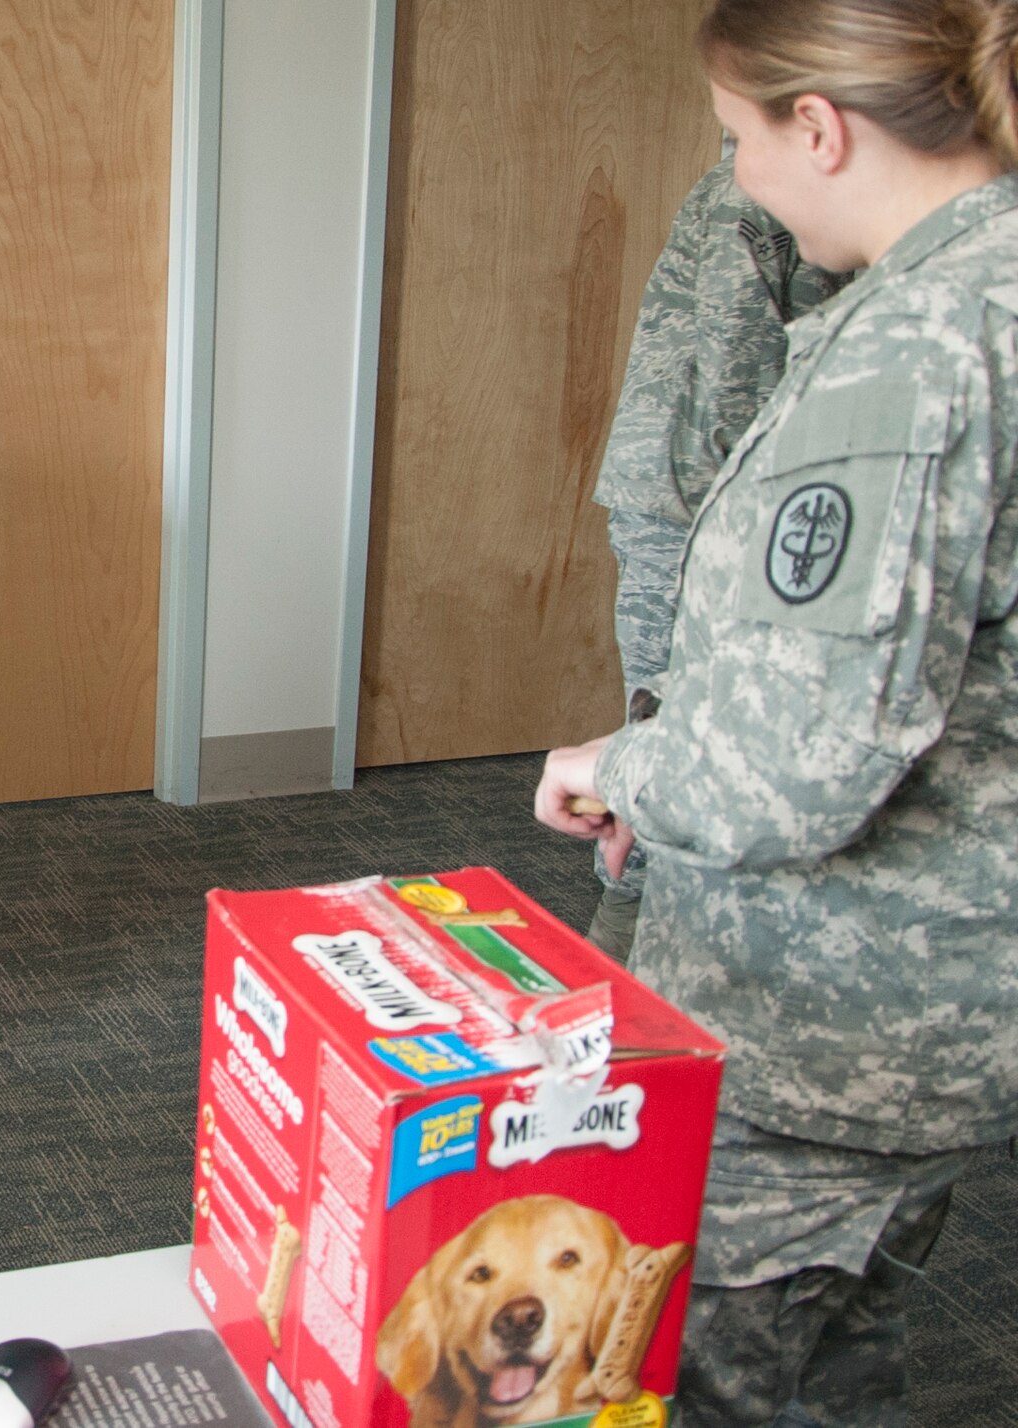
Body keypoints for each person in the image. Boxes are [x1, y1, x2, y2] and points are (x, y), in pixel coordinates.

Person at [534, 0, 1018, 1421]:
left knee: (684, 1370)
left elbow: (791, 769)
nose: (735, 175)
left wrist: (624, 762)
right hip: (946, 1006)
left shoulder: (916, 353)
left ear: (822, 129)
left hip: (828, 1030)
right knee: (837, 1349)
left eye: (739, 138)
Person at [587, 155, 849, 960]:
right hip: (698, 497)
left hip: (724, 490)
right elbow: (736, 360)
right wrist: (743, 519)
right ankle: (626, 949)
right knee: (677, 714)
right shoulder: (768, 179)